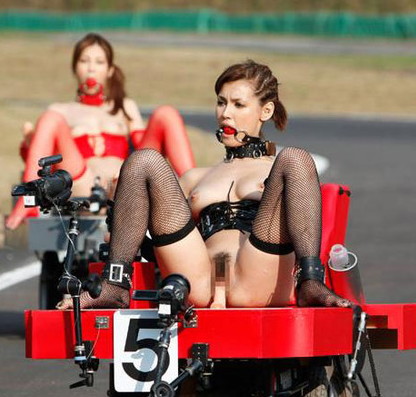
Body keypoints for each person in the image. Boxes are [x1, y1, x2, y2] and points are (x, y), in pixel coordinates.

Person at [67, 60, 352, 309]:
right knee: (144, 160)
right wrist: (119, 210)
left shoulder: (278, 171)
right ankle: (115, 286)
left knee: (295, 158)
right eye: (221, 102)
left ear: (265, 111)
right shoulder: (195, 177)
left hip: (259, 275)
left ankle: (311, 282)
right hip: (199, 280)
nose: (225, 113)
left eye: (238, 104)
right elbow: (157, 245)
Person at [5, 33, 195, 229]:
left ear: (110, 70)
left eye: (99, 62)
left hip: (124, 183)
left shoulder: (125, 107)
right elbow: (42, 159)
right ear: (75, 67)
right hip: (81, 183)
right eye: (84, 61)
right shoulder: (61, 110)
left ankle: (194, 192)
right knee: (50, 118)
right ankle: (27, 202)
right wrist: (30, 142)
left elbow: (145, 151)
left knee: (166, 113)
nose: (91, 68)